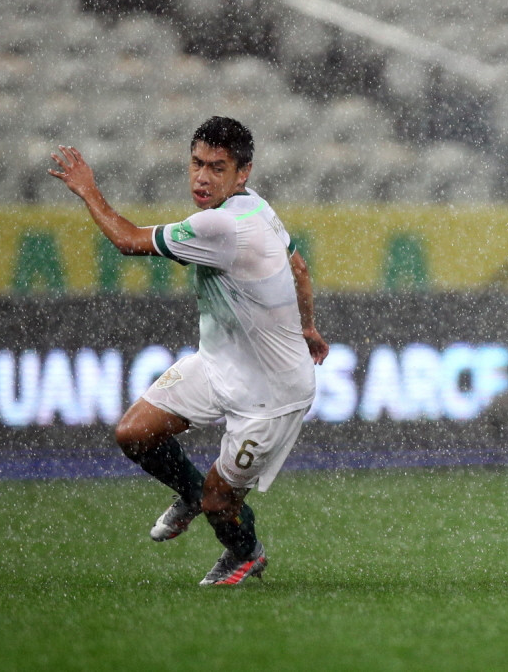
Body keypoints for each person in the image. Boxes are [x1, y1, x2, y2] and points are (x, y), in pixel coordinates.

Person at [49, 116, 329, 585]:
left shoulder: (222, 226)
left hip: (271, 395)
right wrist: (309, 326)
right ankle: (193, 492)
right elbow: (298, 266)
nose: (202, 177)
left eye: (217, 168)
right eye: (197, 163)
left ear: (243, 173)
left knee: (223, 503)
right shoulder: (256, 206)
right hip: (219, 365)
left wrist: (88, 190)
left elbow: (127, 240)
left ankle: (246, 552)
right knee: (134, 434)